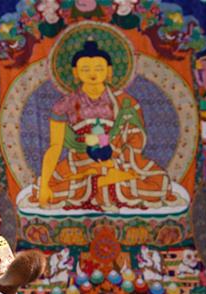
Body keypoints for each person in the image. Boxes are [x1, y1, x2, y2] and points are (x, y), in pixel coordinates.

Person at [34, 40, 183, 211]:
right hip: (80, 162)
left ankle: (102, 183)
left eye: (99, 68)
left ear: (109, 70)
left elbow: (134, 137)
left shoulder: (124, 102)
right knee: (46, 188)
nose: (92, 74)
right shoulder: (65, 104)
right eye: (85, 69)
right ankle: (105, 182)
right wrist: (45, 184)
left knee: (161, 182)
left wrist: (118, 159)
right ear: (75, 72)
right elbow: (55, 146)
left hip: (117, 159)